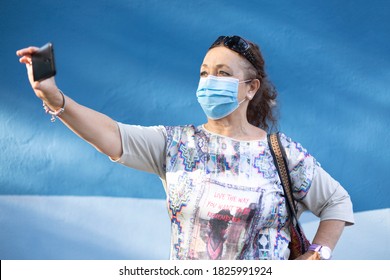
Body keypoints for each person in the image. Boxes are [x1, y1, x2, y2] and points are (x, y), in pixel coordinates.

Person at [16, 35, 354, 260]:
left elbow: (337, 201)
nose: (208, 81)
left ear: (250, 88)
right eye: (204, 73)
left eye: (222, 73)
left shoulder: (281, 152)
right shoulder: (176, 144)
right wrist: (53, 96)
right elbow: (111, 135)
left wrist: (319, 253)